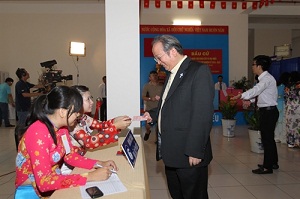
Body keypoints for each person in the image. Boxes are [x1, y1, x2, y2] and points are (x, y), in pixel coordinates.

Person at [15, 86, 117, 199]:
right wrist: (90, 176)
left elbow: (70, 156)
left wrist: (99, 163)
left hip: (53, 181)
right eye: (76, 112)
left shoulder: (62, 129)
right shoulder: (38, 133)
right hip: (30, 191)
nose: (78, 115)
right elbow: (44, 182)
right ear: (63, 112)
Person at [152, 35, 214, 199]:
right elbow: (170, 104)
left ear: (172, 51)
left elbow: (203, 114)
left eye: (159, 57)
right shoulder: (171, 73)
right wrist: (152, 115)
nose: (158, 62)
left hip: (189, 153)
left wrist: (195, 150)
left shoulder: (198, 71)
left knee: (193, 195)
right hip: (172, 152)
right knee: (177, 194)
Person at [61, 85, 132, 174]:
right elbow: (88, 142)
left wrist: (116, 120)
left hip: (83, 159)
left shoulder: (83, 117)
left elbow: (101, 125)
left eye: (91, 98)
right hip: (71, 167)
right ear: (77, 102)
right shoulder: (72, 122)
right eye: (88, 99)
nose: (92, 102)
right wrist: (115, 126)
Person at [231, 55, 279, 174]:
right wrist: (250, 100)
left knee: (267, 139)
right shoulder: (263, 79)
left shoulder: (266, 79)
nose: (252, 67)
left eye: (253, 64)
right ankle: (272, 162)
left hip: (268, 112)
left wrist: (242, 95)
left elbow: (256, 90)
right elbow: (261, 95)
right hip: (268, 111)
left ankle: (267, 167)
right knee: (268, 138)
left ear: (259, 66)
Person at [14, 68, 44, 149]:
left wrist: (46, 84)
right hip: (22, 109)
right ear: (23, 75)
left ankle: (25, 141)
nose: (28, 73)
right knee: (22, 126)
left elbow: (35, 86)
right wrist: (39, 94)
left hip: (27, 107)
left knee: (27, 125)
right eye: (27, 73)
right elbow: (25, 95)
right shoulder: (19, 84)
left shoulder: (25, 83)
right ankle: (20, 144)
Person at [142, 71, 163, 141]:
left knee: (158, 125)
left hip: (159, 108)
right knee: (148, 124)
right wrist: (151, 98)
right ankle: (148, 131)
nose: (155, 77)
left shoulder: (162, 85)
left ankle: (157, 140)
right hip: (150, 108)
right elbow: (143, 97)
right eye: (153, 76)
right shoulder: (147, 86)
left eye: (156, 75)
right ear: (149, 78)